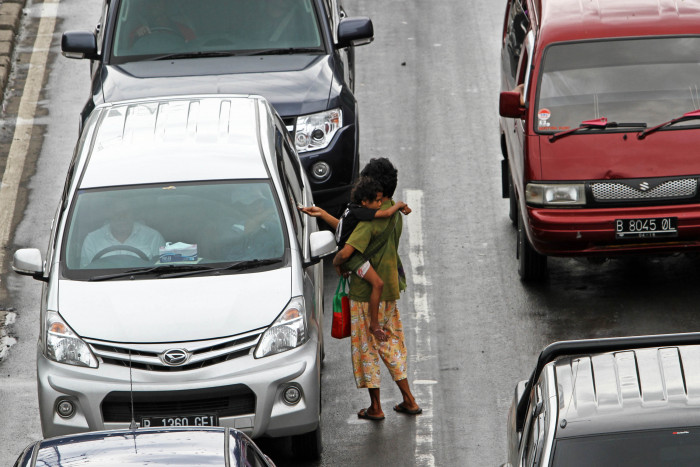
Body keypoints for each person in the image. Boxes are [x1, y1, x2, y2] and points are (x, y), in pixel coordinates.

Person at [312, 157, 421, 421]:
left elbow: (350, 246)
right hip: (390, 288)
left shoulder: (369, 220)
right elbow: (354, 231)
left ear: (375, 190)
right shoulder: (394, 212)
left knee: (367, 349)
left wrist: (338, 262)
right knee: (390, 343)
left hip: (365, 293)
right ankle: (408, 399)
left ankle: (375, 407)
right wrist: (326, 216)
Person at [300, 176, 410, 343]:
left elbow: (342, 229)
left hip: (350, 255)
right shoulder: (362, 213)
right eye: (377, 201)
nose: (380, 204)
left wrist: (322, 213)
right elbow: (386, 213)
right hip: (352, 258)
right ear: (365, 202)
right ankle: (374, 324)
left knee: (377, 284)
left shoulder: (351, 208)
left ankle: (373, 323)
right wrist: (400, 205)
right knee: (378, 284)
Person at [81, 200, 165, 267]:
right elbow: (85, 273)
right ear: (108, 215)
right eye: (116, 213)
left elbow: (161, 270)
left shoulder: (153, 237)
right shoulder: (92, 240)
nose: (121, 217)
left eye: (125, 213)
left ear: (133, 214)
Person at [128, 0, 196, 48]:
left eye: (158, 1)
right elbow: (128, 50)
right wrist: (137, 36)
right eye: (152, 2)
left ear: (166, 6)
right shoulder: (139, 31)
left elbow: (194, 47)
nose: (155, 5)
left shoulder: (183, 29)